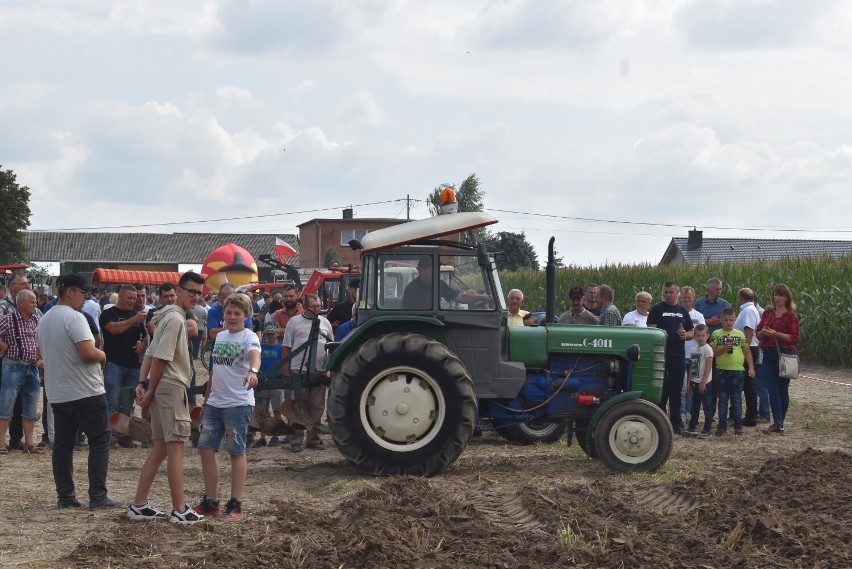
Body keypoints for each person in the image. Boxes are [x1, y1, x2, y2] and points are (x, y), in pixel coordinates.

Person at [36, 273, 121, 510]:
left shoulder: (44, 319)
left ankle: (65, 496)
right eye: (84, 292)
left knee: (63, 445)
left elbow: (40, 353)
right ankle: (98, 496)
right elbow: (87, 353)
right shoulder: (75, 318)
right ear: (71, 291)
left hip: (58, 392)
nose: (86, 297)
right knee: (99, 440)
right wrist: (103, 355)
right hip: (85, 391)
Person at [127, 272, 206, 524]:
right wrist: (148, 388)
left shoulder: (165, 316)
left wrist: (143, 383)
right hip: (170, 387)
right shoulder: (174, 319)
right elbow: (159, 357)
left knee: (161, 446)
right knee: (176, 449)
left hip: (162, 385)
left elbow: (150, 353)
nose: (195, 296)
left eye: (199, 293)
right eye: (191, 291)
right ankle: (180, 509)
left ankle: (139, 504)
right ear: (179, 290)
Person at [194, 293, 261, 521]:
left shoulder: (249, 336)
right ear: (223, 314)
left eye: (237, 313)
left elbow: (255, 356)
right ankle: (211, 501)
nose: (232, 317)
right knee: (205, 448)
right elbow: (214, 370)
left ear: (245, 316)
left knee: (235, 451)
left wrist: (253, 372)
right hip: (215, 402)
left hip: (238, 403)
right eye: (229, 312)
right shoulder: (220, 337)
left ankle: (235, 503)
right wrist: (207, 397)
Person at [281, 294, 333, 453]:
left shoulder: (325, 323)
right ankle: (296, 440)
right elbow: (287, 347)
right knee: (299, 405)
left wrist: (328, 369)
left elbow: (330, 345)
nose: (317, 309)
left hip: (319, 369)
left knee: (316, 406)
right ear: (304, 306)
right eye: (314, 306)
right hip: (299, 369)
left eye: (318, 306)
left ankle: (313, 439)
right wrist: (286, 370)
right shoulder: (294, 322)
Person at [100, 284, 148, 444]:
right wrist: (133, 319)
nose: (133, 301)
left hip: (133, 364)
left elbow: (145, 335)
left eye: (135, 298)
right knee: (112, 398)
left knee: (128, 401)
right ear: (120, 297)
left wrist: (143, 343)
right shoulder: (108, 314)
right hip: (114, 363)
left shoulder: (136, 315)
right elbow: (113, 329)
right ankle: (109, 434)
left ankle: (123, 433)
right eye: (130, 298)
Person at [0, 290, 44, 454]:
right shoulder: (8, 319)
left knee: (31, 406)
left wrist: (41, 357)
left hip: (32, 367)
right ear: (21, 304)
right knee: (6, 405)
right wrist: (3, 346)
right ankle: (1, 443)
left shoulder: (37, 318)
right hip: (13, 366)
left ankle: (30, 443)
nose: (36, 304)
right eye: (32, 302)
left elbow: (40, 340)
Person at [647, 282, 693, 433]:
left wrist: (686, 335)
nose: (668, 295)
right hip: (661, 356)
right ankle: (660, 421)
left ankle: (676, 422)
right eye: (666, 292)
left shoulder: (682, 311)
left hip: (678, 356)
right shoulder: (656, 309)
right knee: (661, 390)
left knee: (676, 389)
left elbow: (691, 331)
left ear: (677, 293)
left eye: (671, 292)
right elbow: (651, 331)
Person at [756, 284, 800, 435]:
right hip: (768, 354)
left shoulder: (791, 315)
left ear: (787, 297)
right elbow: (758, 333)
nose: (777, 298)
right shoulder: (768, 313)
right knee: (772, 389)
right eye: (775, 295)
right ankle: (778, 422)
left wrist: (776, 334)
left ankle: (779, 422)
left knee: (782, 389)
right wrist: (762, 332)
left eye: (780, 295)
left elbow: (794, 337)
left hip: (785, 354)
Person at [710, 308, 755, 436]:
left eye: (731, 320)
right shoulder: (716, 334)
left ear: (735, 320)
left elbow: (747, 352)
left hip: (737, 371)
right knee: (723, 399)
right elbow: (713, 352)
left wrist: (751, 367)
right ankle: (722, 425)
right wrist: (724, 349)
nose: (728, 323)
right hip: (721, 371)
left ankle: (738, 426)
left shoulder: (740, 334)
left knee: (736, 399)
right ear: (721, 320)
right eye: (725, 320)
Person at [0, 272, 32, 451]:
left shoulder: (29, 306)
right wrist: (3, 346)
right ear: (13, 287)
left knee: (21, 401)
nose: (27, 286)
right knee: (6, 400)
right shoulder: (4, 306)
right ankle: (2, 440)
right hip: (7, 361)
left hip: (24, 362)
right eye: (24, 284)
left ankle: (16, 437)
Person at [401, 256, 491, 310]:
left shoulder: (439, 284)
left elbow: (460, 297)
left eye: (437, 269)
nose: (437, 272)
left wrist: (482, 297)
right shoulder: (412, 289)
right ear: (421, 270)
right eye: (433, 269)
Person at [251, 324, 285, 448]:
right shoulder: (261, 347)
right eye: (268, 334)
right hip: (263, 383)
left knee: (277, 409)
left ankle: (275, 436)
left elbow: (284, 362)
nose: (270, 336)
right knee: (262, 410)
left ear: (277, 334)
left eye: (272, 334)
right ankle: (263, 437)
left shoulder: (280, 348)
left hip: (275, 382)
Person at [733, 288, 761, 427]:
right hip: (746, 348)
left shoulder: (748, 310)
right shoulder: (748, 309)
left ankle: (751, 417)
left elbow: (748, 332)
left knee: (749, 384)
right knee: (747, 384)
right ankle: (750, 414)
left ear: (741, 298)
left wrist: (745, 351)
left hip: (748, 349)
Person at [680, 287, 706, 427]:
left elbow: (702, 334)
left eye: (689, 297)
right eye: (684, 297)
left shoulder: (699, 315)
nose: (687, 299)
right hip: (681, 355)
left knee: (692, 385)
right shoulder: (677, 313)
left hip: (695, 355)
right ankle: (681, 412)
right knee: (682, 385)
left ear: (693, 298)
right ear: (680, 298)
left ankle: (689, 411)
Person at [685, 324, 714, 437]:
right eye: (698, 335)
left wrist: (703, 382)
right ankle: (692, 426)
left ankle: (707, 429)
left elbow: (708, 367)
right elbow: (691, 368)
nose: (700, 338)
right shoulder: (693, 350)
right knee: (695, 406)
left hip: (705, 383)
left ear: (707, 336)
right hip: (694, 381)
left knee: (706, 406)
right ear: (694, 336)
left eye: (703, 335)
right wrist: (689, 382)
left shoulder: (708, 349)